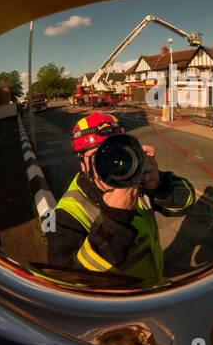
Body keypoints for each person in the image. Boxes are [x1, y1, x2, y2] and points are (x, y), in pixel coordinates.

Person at [47, 112, 195, 287]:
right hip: (118, 307)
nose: (112, 164)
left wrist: (159, 185)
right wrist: (113, 221)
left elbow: (185, 204)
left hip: (155, 288)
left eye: (118, 153)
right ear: (82, 163)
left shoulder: (136, 180)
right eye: (99, 157)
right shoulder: (66, 213)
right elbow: (68, 285)